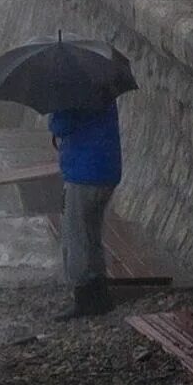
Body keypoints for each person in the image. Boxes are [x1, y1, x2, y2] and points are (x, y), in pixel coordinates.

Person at [47, 97, 122, 317]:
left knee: (76, 235)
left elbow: (61, 126)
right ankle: (100, 294)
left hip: (84, 174)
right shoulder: (101, 90)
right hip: (107, 171)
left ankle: (83, 297)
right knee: (92, 233)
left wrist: (54, 112)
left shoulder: (70, 92)